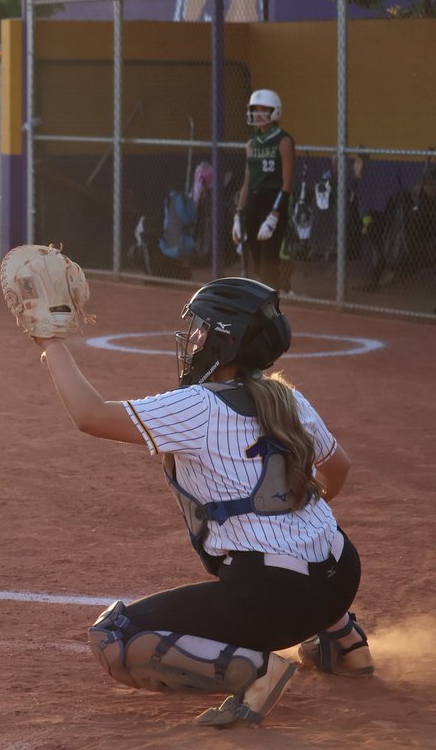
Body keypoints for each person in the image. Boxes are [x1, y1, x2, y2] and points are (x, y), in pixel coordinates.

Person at [26, 276, 372, 728]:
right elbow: (338, 470)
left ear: (225, 343)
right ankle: (345, 644)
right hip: (341, 575)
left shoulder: (198, 406)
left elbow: (91, 416)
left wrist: (51, 343)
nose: (193, 338)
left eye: (202, 329)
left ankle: (256, 672)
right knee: (299, 541)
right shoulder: (288, 397)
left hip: (279, 601)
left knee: (113, 638)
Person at [232, 90, 295, 290]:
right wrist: (238, 214)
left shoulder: (283, 140)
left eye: (262, 110)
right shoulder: (251, 144)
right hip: (254, 202)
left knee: (270, 256)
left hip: (274, 199)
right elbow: (247, 182)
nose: (257, 115)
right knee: (256, 257)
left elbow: (287, 181)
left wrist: (274, 215)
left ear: (274, 112)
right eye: (254, 110)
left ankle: (271, 303)